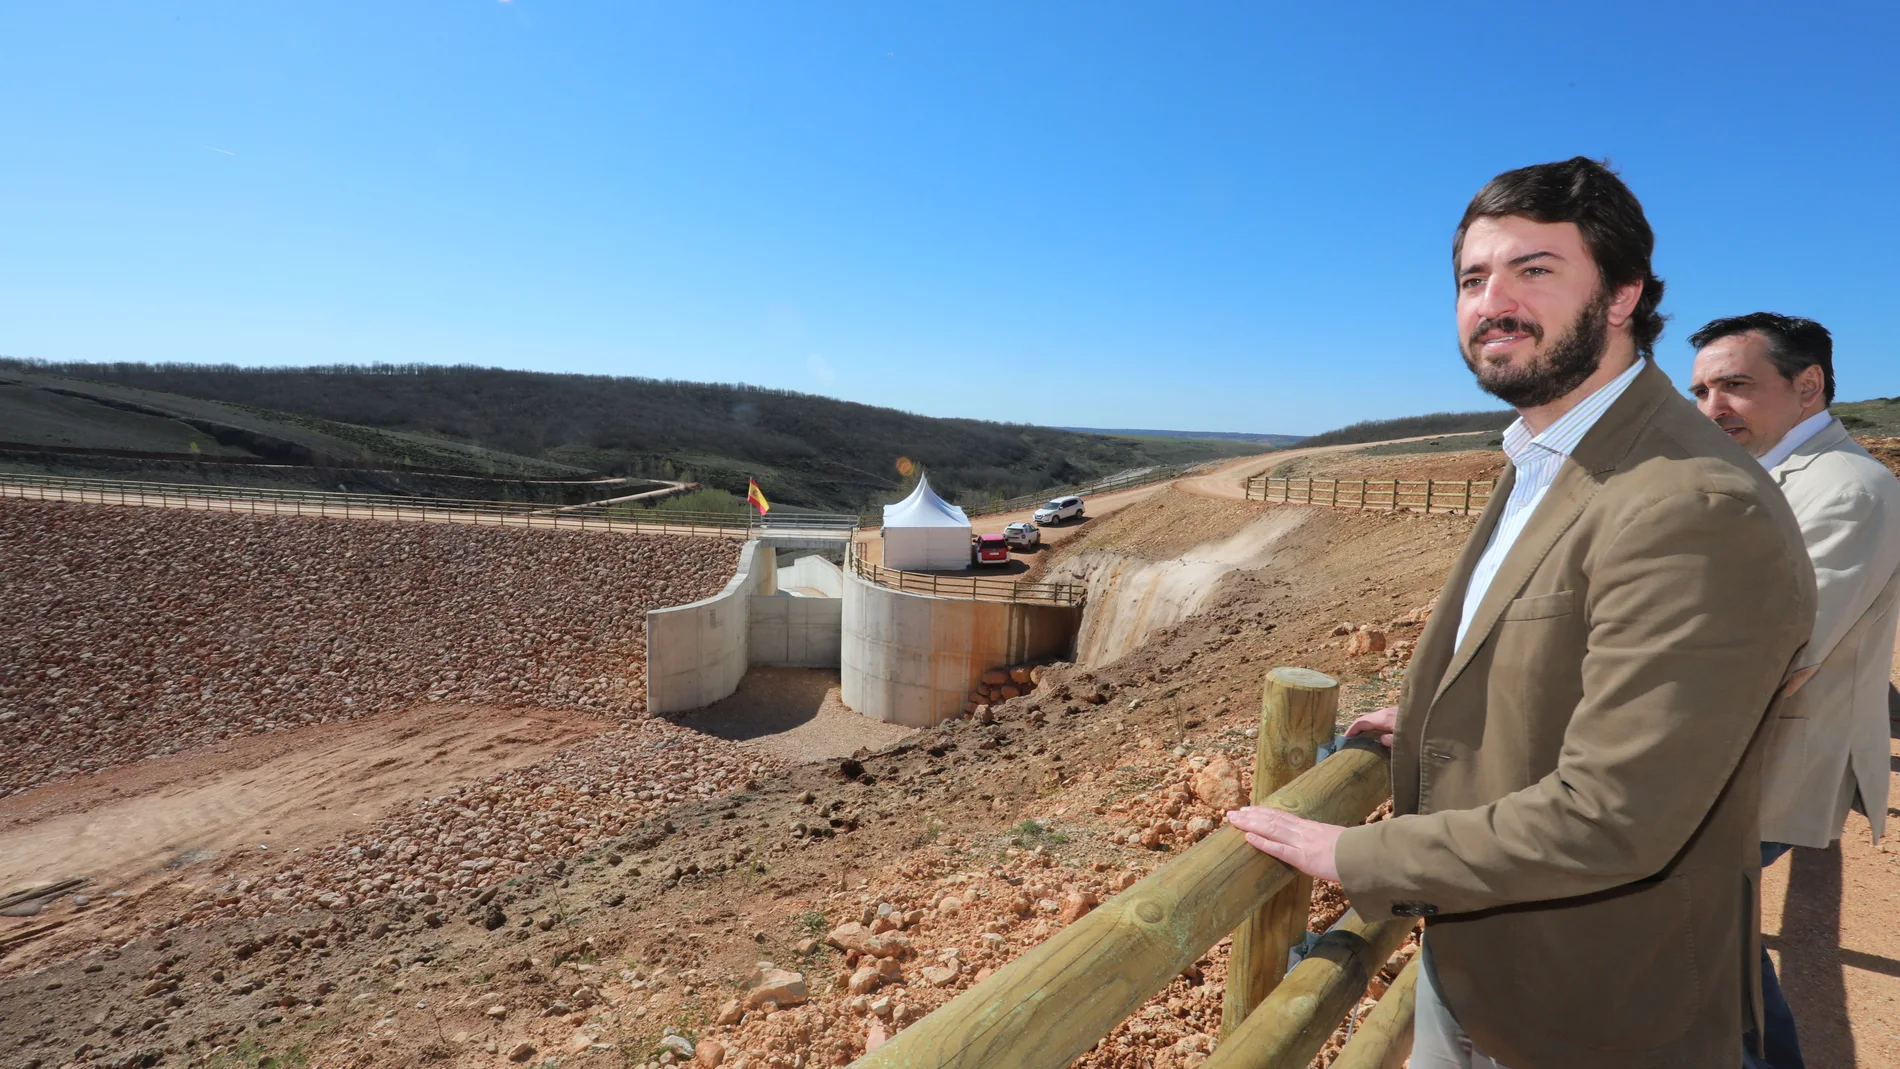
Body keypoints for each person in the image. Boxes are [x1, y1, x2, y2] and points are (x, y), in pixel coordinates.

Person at [1226, 158, 1816, 1068]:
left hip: (1594, 1011)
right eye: (1473, 278)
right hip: (1487, 974)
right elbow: (1560, 649)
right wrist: (1431, 719)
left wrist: (1356, 858)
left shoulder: (1691, 503)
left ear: (1623, 296)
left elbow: (1616, 813)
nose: (1492, 301)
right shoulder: (1550, 452)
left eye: (1535, 270)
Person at [1689, 312, 1900, 1069]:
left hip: (1768, 764)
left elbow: (1777, 649)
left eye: (1736, 385)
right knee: (1720, 941)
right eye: (1702, 389)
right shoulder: (1766, 477)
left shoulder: (1849, 489)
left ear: (1807, 387)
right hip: (1734, 757)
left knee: (1689, 939)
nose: (1713, 406)